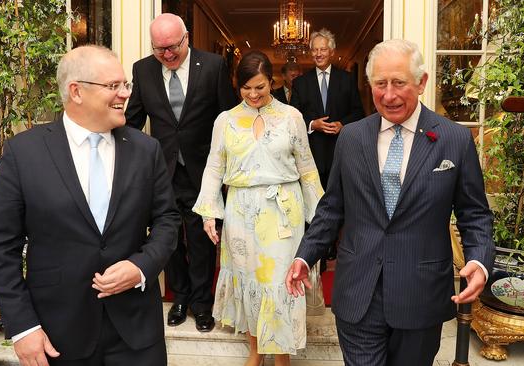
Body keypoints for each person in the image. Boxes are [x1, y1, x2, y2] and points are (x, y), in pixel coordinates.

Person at [285, 39, 495, 366]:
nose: (389, 94)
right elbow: (332, 208)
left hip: (420, 294)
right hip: (359, 291)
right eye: (380, 84)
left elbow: (475, 214)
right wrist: (305, 255)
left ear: (422, 82)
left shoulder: (454, 140)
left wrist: (479, 262)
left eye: (399, 83)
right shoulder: (351, 139)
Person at [0, 45, 180, 366]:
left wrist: (141, 267)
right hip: (56, 334)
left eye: (125, 84)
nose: (125, 94)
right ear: (76, 92)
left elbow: (168, 221)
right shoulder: (24, 154)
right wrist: (22, 327)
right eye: (113, 86)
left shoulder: (147, 150)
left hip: (136, 333)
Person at [193, 50, 324, 366]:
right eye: (246, 88)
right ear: (238, 86)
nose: (253, 95)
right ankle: (255, 351)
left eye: (261, 87)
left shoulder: (292, 117)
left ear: (272, 82)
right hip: (241, 213)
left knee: (280, 284)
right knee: (248, 282)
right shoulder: (225, 121)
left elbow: (307, 169)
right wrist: (210, 211)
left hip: (282, 213)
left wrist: (320, 219)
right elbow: (214, 166)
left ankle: (281, 357)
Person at [125, 13, 237, 332]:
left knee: (202, 240)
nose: (168, 55)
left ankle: (203, 303)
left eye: (173, 47)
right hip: (162, 172)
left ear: (186, 38)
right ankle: (181, 298)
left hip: (203, 171)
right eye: (160, 50)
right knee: (168, 239)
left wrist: (227, 169)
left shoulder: (213, 66)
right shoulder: (143, 69)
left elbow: (226, 119)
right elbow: (132, 121)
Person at [290, 28, 365, 189]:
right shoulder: (300, 83)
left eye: (323, 49)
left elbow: (359, 112)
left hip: (341, 152)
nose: (318, 53)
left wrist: (342, 124)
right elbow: (292, 118)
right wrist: (312, 124)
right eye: (314, 50)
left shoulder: (347, 79)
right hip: (310, 154)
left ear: (331, 51)